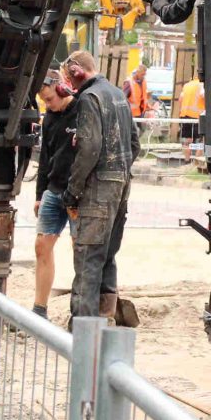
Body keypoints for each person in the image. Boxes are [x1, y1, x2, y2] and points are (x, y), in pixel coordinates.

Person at [61, 51, 140, 320]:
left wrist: (73, 190)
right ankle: (106, 323)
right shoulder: (118, 94)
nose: (69, 88)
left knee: (88, 258)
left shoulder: (89, 98)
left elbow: (90, 148)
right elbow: (134, 143)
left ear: (77, 71)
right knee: (107, 255)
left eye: (68, 80)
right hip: (121, 187)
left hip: (98, 190)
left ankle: (83, 330)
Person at [32, 71, 77, 318]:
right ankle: (39, 308)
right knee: (41, 246)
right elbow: (45, 159)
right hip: (54, 191)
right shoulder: (49, 118)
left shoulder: (83, 111)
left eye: (50, 99)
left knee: (79, 249)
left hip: (77, 193)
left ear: (62, 89)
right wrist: (40, 194)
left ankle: (80, 308)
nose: (48, 106)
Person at [178, 72, 205, 159]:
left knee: (187, 140)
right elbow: (203, 95)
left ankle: (187, 160)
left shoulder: (187, 85)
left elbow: (180, 99)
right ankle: (197, 161)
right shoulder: (201, 85)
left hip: (184, 115)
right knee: (201, 140)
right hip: (197, 117)